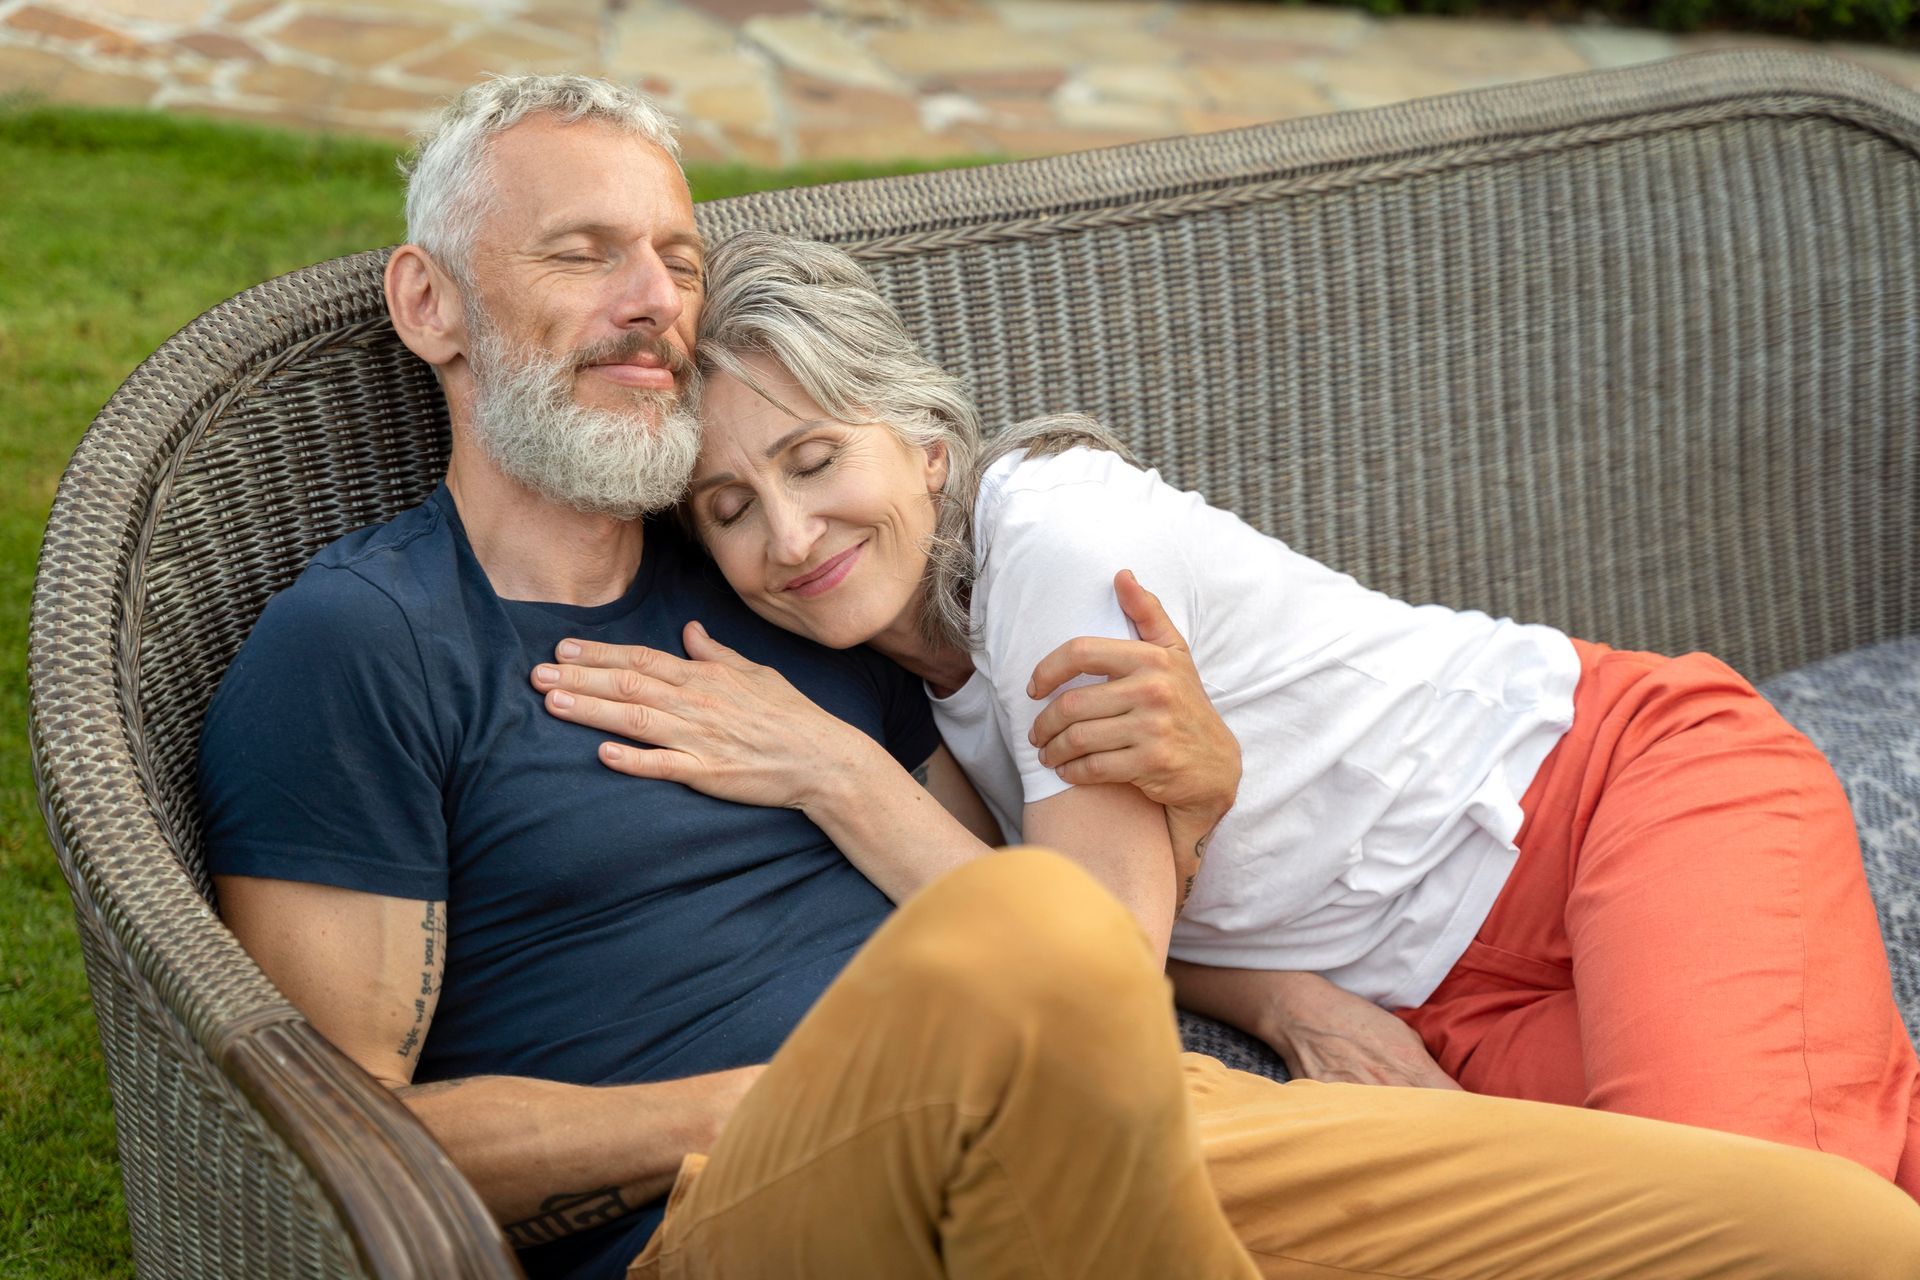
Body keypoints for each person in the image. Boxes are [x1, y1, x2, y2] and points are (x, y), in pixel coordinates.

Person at [198, 73, 1920, 1280]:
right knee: (1017, 943)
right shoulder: (371, 642)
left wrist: (1255, 975)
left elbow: (1043, 888)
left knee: (1830, 1238)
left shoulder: (794, 610)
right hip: (761, 1202)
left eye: (679, 257)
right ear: (428, 302)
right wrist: (773, 1100)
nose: (652, 300)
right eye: (582, 252)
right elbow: (332, 1131)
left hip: (1128, 1116)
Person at [540, 227, 1920, 1199]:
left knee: (1766, 1214)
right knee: (1772, 1189)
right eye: (729, 509)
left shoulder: (1053, 542)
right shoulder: (919, 676)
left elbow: (1087, 953)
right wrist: (1280, 993)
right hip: (1448, 994)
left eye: (813, 457)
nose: (788, 532)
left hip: (1610, 799)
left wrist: (834, 774)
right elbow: (1060, 908)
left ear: (923, 439)